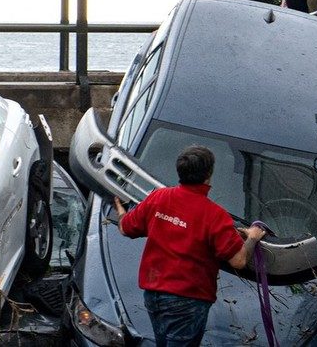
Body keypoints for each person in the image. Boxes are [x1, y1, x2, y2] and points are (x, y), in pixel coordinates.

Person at [114, 146, 266, 347]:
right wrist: (253, 238)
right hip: (188, 301)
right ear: (209, 175)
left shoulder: (158, 198)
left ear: (180, 171)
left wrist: (120, 210)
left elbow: (125, 228)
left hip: (153, 296)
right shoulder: (215, 215)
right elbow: (238, 260)